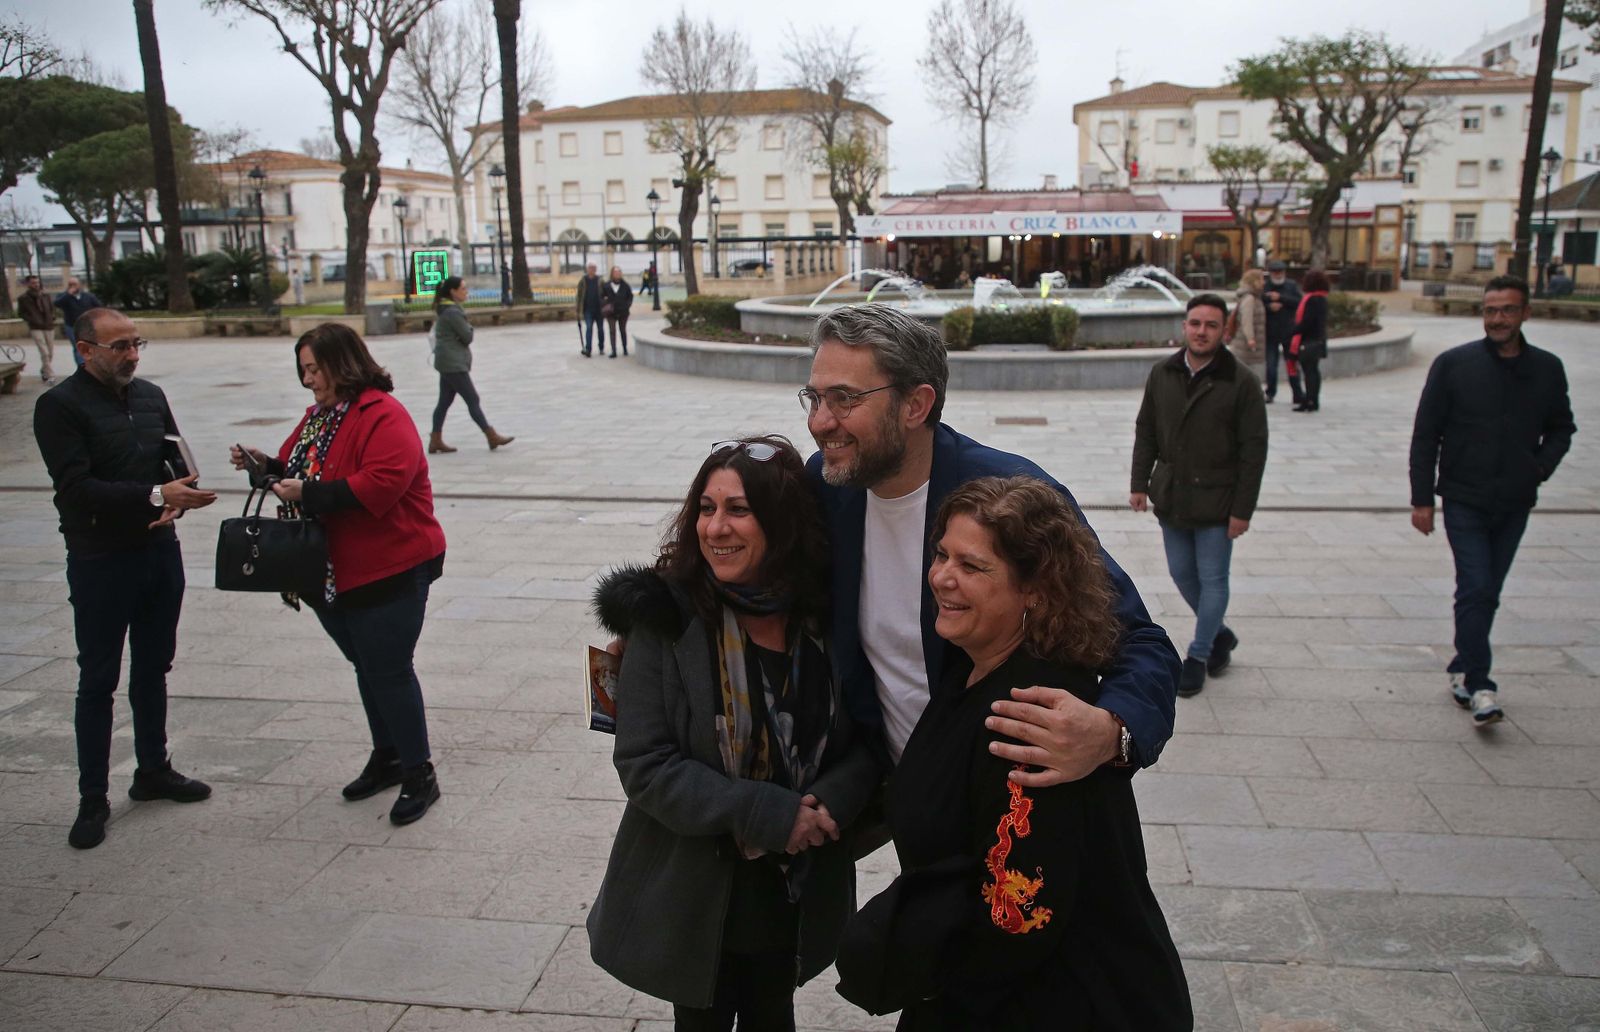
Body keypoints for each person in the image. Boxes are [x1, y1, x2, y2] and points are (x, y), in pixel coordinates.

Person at [835, 476, 1190, 1029]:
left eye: (972, 567)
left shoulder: (1031, 714)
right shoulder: (968, 665)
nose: (942, 578)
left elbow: (1018, 920)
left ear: (1037, 591)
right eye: (941, 554)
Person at [802, 304, 1180, 801]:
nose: (820, 422)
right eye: (814, 397)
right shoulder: (828, 485)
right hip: (902, 794)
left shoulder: (1008, 496)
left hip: (1004, 808)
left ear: (916, 405)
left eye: (845, 399)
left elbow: (1140, 641)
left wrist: (1113, 731)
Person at [587, 436, 879, 1030]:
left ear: (782, 522)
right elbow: (645, 765)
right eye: (706, 508)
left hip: (794, 885)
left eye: (738, 510)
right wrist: (771, 813)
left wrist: (832, 800)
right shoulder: (667, 621)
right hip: (699, 891)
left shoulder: (826, 614)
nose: (715, 528)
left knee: (775, 1014)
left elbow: (870, 736)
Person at [230, 323, 448, 825]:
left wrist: (308, 494)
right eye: (302, 371)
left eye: (314, 369)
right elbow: (293, 466)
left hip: (389, 565)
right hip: (330, 571)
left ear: (342, 364)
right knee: (367, 666)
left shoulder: (382, 413)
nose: (308, 381)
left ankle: (420, 771)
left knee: (387, 669)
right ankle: (388, 755)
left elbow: (381, 485)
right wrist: (260, 464)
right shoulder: (319, 417)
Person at [33, 308, 218, 850]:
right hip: (101, 559)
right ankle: (93, 798)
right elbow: (76, 488)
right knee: (98, 679)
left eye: (137, 344)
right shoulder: (58, 407)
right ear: (84, 349)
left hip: (159, 551)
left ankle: (152, 770)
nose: (132, 355)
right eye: (119, 347)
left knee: (154, 667)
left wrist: (176, 497)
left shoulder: (151, 396)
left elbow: (170, 463)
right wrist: (157, 496)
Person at [1408, 275, 1576, 727]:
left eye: (1507, 310)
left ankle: (1462, 664)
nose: (1497, 318)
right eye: (1490, 310)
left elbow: (1562, 427)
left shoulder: (1547, 368)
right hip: (1464, 495)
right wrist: (1422, 499)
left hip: (1515, 499)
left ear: (1525, 313)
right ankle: (1481, 684)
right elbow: (1427, 434)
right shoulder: (1454, 365)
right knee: (1477, 585)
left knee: (1486, 591)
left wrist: (1539, 467)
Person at [1131, 293, 1269, 697]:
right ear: (1185, 326)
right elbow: (1147, 431)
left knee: (1212, 579)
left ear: (1224, 330)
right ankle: (1221, 634)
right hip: (1173, 497)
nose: (1201, 331)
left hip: (1218, 501)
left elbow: (1253, 451)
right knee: (1181, 573)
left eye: (1211, 325)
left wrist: (1242, 510)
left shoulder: (1241, 381)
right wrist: (1140, 483)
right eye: (1195, 323)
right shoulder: (1163, 372)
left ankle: (1200, 653)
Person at [427, 275, 513, 454]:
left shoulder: (445, 309)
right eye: (463, 289)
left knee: (444, 401)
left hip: (447, 361)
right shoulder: (452, 312)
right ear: (453, 291)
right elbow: (468, 336)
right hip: (453, 363)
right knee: (472, 399)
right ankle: (491, 435)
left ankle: (435, 439)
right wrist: (469, 327)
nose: (467, 292)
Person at [1262, 259, 1303, 405]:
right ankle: (1270, 392)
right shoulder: (1265, 286)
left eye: (1280, 272)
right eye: (1275, 272)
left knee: (1291, 363)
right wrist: (1269, 306)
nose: (1278, 275)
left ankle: (1297, 393)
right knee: (1271, 365)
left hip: (1288, 331)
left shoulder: (1291, 286)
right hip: (1271, 332)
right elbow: (1259, 304)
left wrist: (1281, 299)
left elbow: (1299, 302)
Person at [1290, 268, 1331, 413]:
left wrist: (1292, 331)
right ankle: (1313, 399)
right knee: (1313, 370)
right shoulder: (1322, 298)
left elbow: (1307, 322)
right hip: (1318, 340)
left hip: (1309, 341)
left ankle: (1310, 400)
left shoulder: (1312, 300)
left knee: (1310, 372)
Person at [54, 277, 102, 369]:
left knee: (90, 345)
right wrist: (68, 294)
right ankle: (82, 367)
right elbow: (57, 304)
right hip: (71, 326)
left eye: (74, 284)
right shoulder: (64, 296)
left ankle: (92, 365)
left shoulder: (88, 296)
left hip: (87, 326)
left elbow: (99, 307)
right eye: (70, 284)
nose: (73, 286)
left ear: (79, 285)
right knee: (78, 347)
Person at [20, 274, 57, 382]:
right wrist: (31, 319)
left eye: (37, 282)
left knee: (50, 352)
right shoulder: (23, 298)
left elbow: (51, 308)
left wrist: (52, 317)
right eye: (33, 283)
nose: (36, 285)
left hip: (48, 325)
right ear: (28, 284)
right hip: (35, 327)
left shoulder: (45, 295)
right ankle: (50, 374)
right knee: (44, 352)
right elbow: (21, 313)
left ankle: (44, 369)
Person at [1230, 268, 1266, 358]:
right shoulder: (1249, 299)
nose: (1264, 282)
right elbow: (1247, 320)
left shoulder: (1255, 297)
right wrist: (1250, 338)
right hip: (1246, 347)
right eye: (1261, 279)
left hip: (1248, 345)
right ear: (1255, 281)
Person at [601, 264, 634, 358]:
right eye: (615, 272)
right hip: (611, 312)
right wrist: (605, 303)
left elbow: (630, 296)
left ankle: (625, 348)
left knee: (622, 330)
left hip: (623, 312)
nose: (617, 274)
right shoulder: (607, 285)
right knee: (612, 330)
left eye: (619, 272)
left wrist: (627, 305)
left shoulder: (625, 285)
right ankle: (614, 350)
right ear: (612, 274)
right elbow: (601, 297)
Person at [575, 262, 604, 358]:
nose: (592, 270)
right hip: (588, 310)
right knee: (589, 328)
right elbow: (579, 296)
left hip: (599, 310)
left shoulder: (600, 280)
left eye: (593, 268)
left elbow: (605, 293)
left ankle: (601, 347)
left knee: (600, 329)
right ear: (587, 269)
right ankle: (588, 349)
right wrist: (578, 310)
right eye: (590, 268)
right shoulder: (583, 281)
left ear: (596, 269)